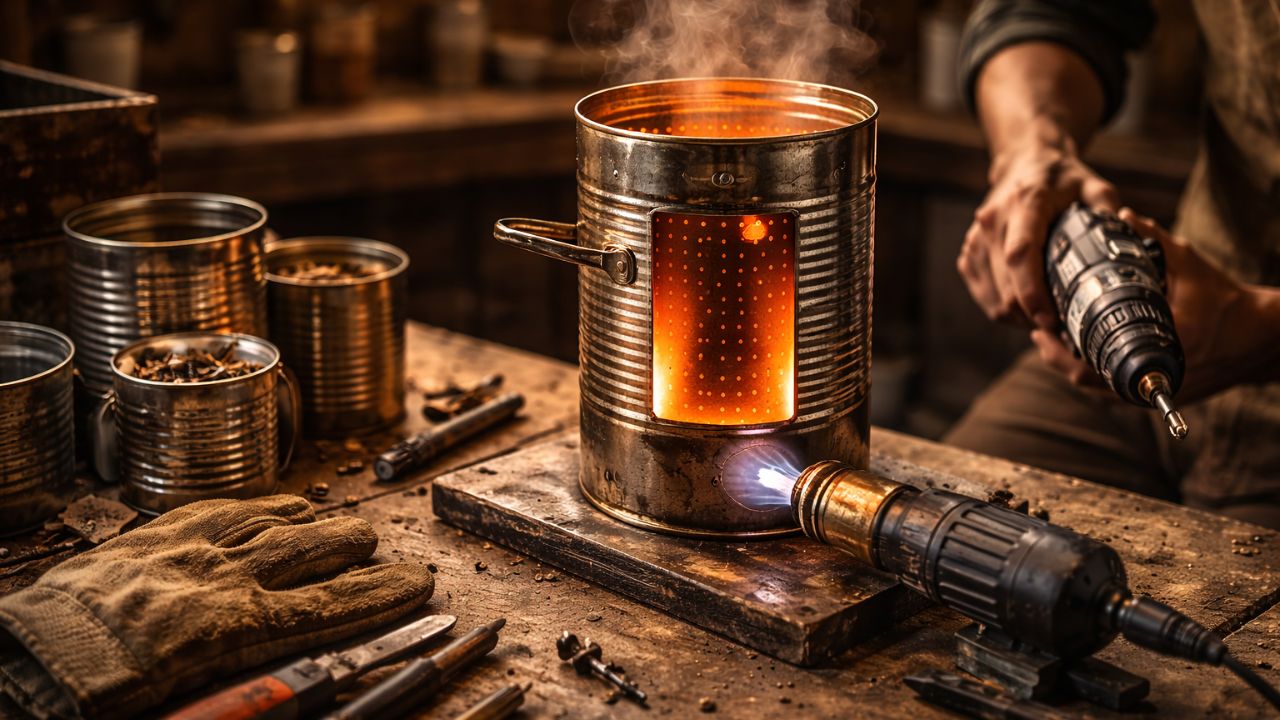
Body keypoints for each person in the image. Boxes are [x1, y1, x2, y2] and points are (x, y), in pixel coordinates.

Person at [945, 0, 1280, 528]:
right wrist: (1032, 151)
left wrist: (1265, 332)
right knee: (940, 527)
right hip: (1167, 324)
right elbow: (1047, 11)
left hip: (1247, 374)